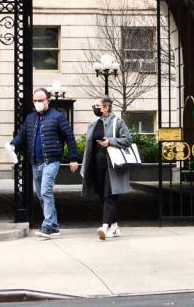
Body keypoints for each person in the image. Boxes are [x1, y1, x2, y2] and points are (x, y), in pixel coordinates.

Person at [9, 90, 79, 238]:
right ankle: (53, 226)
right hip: (36, 162)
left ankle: (48, 226)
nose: (37, 103)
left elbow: (69, 137)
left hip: (51, 161)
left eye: (40, 100)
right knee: (41, 195)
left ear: (48, 100)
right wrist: (13, 145)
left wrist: (73, 158)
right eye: (35, 100)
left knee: (46, 192)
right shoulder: (30, 118)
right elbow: (22, 135)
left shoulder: (58, 117)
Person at [80, 97, 133, 240]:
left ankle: (104, 226)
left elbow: (128, 139)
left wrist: (111, 142)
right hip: (96, 164)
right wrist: (84, 166)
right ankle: (114, 226)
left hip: (112, 164)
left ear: (106, 107)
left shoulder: (117, 122)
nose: (95, 108)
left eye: (97, 105)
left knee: (109, 194)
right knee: (102, 195)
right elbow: (88, 148)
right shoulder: (93, 124)